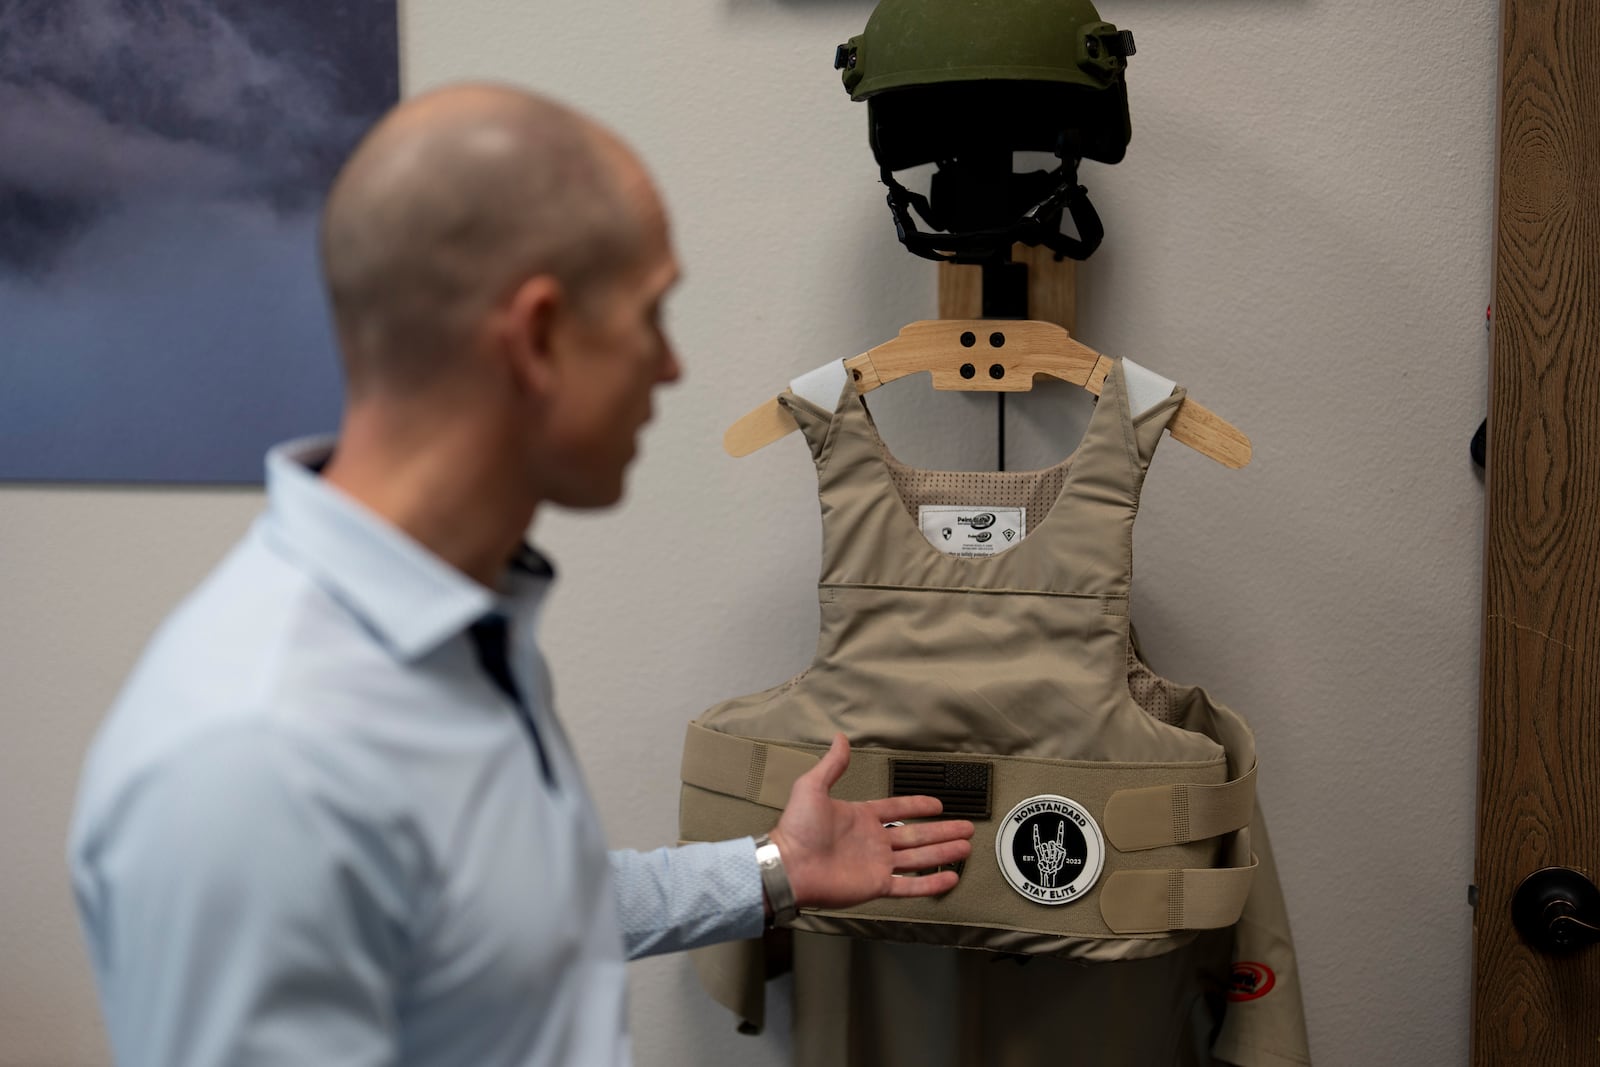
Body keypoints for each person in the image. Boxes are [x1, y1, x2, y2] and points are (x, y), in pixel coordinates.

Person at [67, 83, 975, 1066]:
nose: (668, 367)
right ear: (537, 335)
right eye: (649, 314)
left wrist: (776, 867)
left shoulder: (459, 633)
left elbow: (505, 912)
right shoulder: (258, 756)